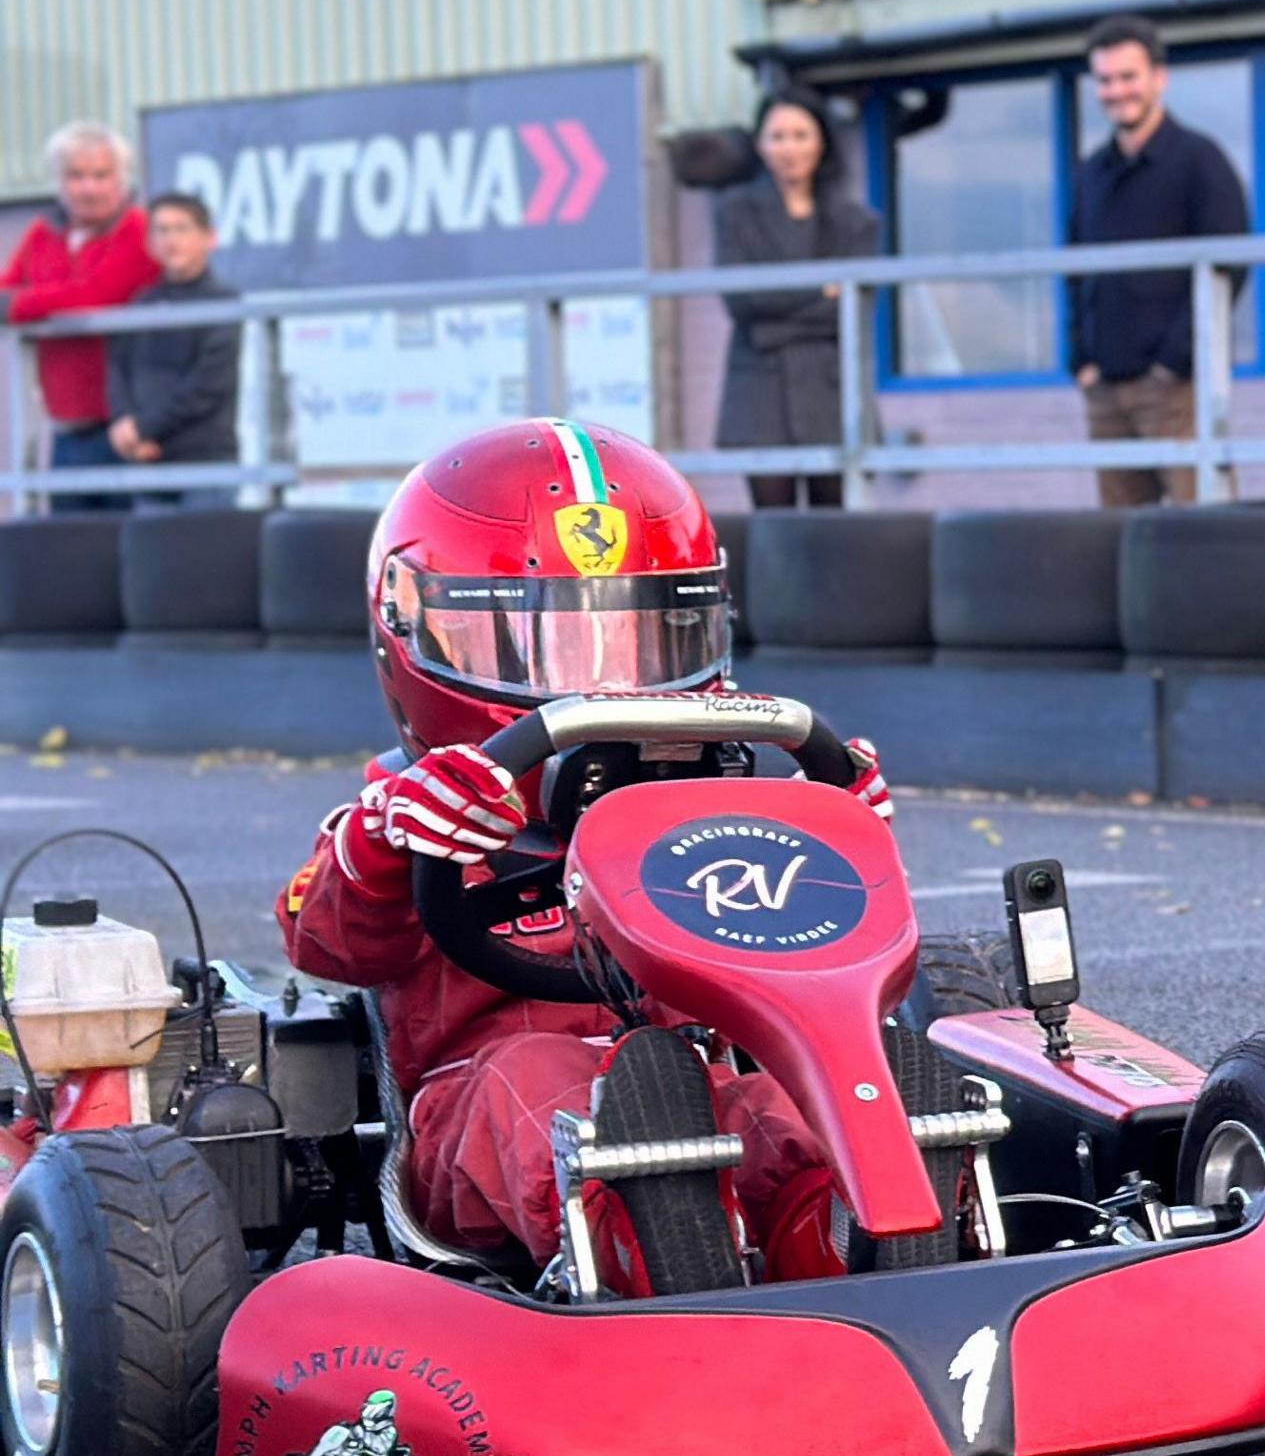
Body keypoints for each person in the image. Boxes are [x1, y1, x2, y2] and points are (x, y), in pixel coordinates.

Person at [279, 418, 896, 1294]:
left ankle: (851, 1261)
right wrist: (383, 843)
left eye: (642, 646)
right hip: (475, 1114)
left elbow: (792, 945)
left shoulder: (703, 801)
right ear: (413, 634)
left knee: (779, 1108)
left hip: (695, 1072)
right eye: (555, 650)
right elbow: (330, 944)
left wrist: (839, 840)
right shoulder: (406, 811)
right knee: (541, 1084)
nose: (607, 690)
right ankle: (628, 1263)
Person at [1067, 15, 1250, 508]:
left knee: (1205, 532)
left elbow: (1230, 264)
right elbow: (1073, 270)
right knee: (1120, 543)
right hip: (1106, 392)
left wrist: (1174, 362)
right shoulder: (1090, 174)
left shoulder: (1199, 161)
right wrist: (1081, 359)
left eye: (1128, 77)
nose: (1116, 90)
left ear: (1159, 79)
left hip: (1178, 390)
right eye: (1105, 80)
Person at [711, 92, 883, 510]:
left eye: (800, 135)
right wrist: (819, 294)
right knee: (773, 525)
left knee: (833, 528)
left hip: (830, 388)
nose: (789, 148)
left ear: (821, 141)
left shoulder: (855, 220)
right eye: (778, 136)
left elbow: (852, 309)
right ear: (760, 145)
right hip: (761, 390)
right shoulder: (735, 212)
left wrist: (773, 321)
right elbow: (741, 301)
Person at [3, 122, 160, 511]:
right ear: (58, 181)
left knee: (129, 551)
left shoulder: (140, 229)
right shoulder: (43, 233)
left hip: (131, 427)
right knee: (68, 553)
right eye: (76, 176)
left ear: (121, 180)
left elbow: (98, 295)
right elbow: (5, 287)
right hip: (66, 428)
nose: (88, 188)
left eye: (101, 175)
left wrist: (21, 306)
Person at [107, 193, 243, 506]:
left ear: (209, 238)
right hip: (149, 468)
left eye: (181, 229)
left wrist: (144, 429)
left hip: (206, 464)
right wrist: (124, 424)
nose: (171, 240)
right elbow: (119, 367)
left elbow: (208, 385)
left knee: (206, 555)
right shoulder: (142, 303)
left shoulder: (224, 302)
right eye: (162, 230)